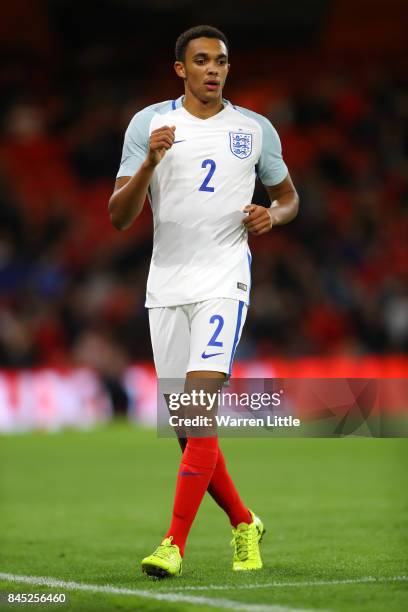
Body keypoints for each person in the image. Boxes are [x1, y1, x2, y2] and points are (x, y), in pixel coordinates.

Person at [109, 24, 299, 578]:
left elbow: (288, 198)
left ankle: (174, 543)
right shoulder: (149, 124)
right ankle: (244, 522)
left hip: (224, 280)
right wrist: (149, 163)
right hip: (166, 288)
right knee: (189, 432)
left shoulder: (254, 130)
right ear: (181, 69)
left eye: (220, 61)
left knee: (198, 408)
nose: (213, 69)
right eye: (201, 61)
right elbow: (119, 218)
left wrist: (273, 215)